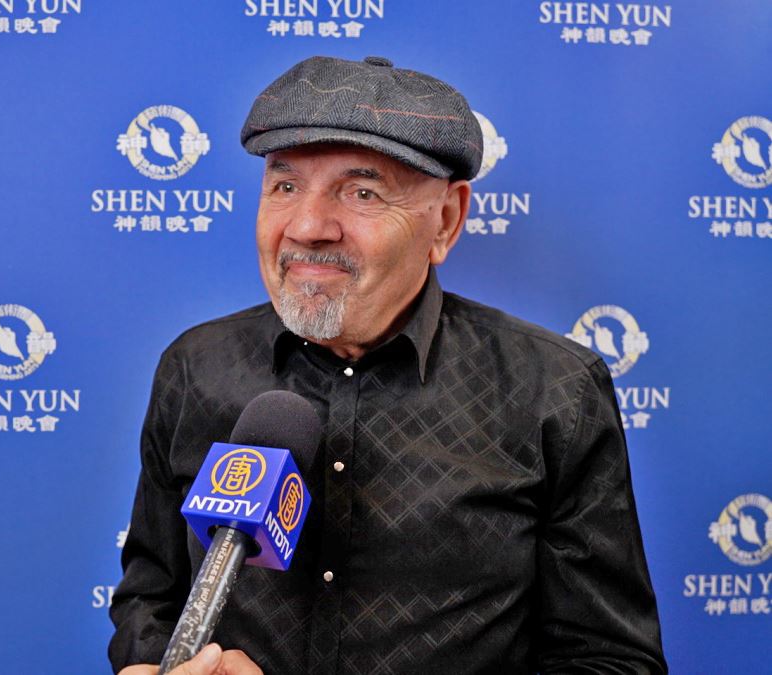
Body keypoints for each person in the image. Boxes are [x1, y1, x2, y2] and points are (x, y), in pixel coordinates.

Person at [109, 55, 667, 674]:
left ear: (445, 221)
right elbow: (151, 597)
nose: (308, 227)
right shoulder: (195, 367)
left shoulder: (554, 391)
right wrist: (156, 664)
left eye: (362, 192)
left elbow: (610, 660)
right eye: (285, 186)